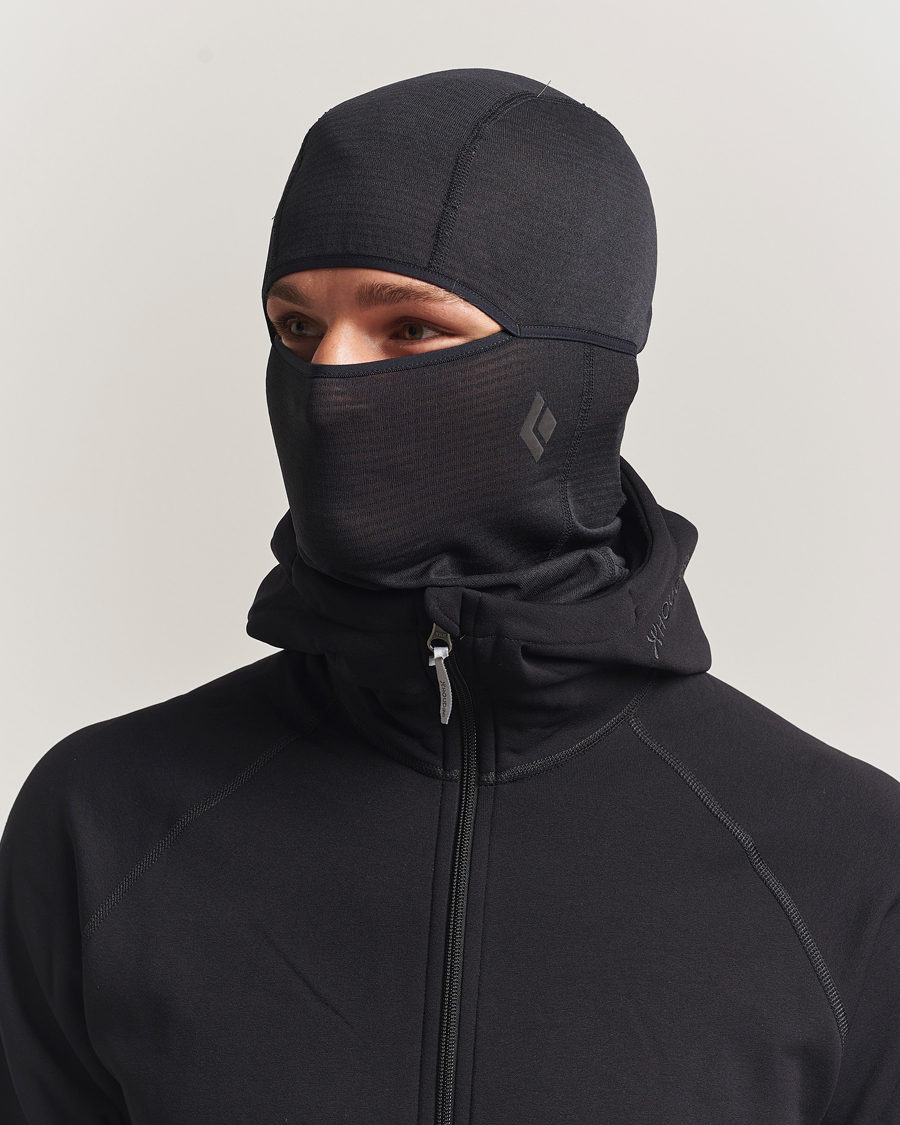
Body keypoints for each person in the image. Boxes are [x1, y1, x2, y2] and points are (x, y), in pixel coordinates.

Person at [1, 67, 897, 1125]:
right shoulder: (102, 824)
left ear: (571, 379)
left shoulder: (847, 867)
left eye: (410, 329)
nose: (330, 386)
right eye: (297, 330)